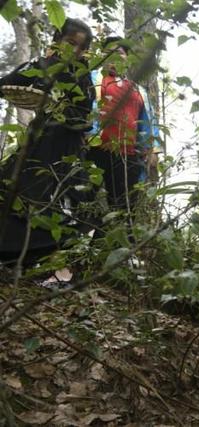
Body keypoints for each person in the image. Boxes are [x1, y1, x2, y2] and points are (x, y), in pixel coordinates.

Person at [0, 18, 95, 269]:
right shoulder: (43, 64)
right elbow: (8, 83)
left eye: (79, 47)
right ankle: (12, 257)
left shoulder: (83, 77)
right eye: (69, 42)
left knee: (72, 203)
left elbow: (85, 117)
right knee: (18, 191)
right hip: (39, 141)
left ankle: (49, 263)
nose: (73, 50)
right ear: (57, 40)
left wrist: (63, 112)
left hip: (68, 148)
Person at [88, 36, 161, 216]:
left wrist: (152, 150)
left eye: (119, 53)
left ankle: (120, 241)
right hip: (93, 150)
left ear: (126, 58)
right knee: (84, 200)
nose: (113, 57)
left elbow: (147, 121)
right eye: (109, 53)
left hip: (127, 156)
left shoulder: (138, 90)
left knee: (124, 209)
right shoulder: (91, 78)